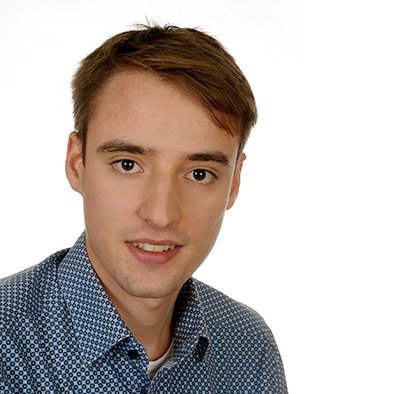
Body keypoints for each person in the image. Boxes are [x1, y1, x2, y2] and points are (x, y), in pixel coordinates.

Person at [0, 24, 287, 393]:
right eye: (127, 164)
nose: (161, 214)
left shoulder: (248, 348)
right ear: (77, 164)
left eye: (199, 174)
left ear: (233, 183)